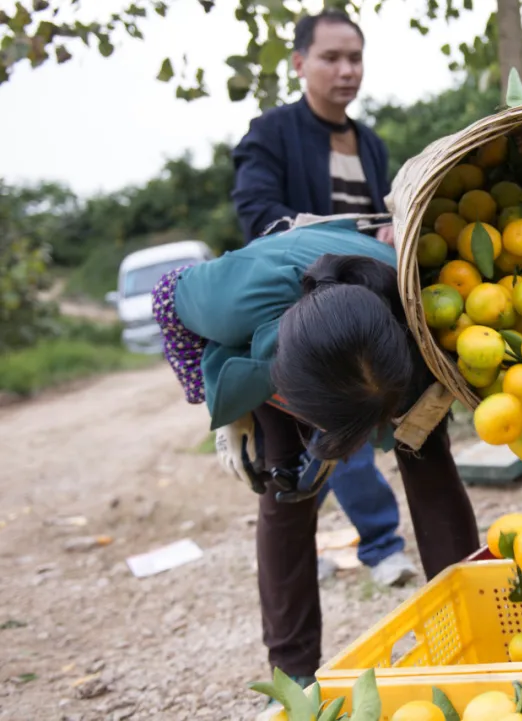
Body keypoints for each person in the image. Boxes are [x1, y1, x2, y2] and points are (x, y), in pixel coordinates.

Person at [152, 219, 480, 685]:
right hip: (268, 343)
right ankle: (293, 675)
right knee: (285, 485)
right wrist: (220, 406)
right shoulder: (233, 302)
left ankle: (471, 630)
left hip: (370, 336)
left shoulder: (413, 309)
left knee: (427, 456)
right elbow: (165, 297)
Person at [230, 9, 415, 587]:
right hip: (301, 302)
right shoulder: (271, 133)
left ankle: (319, 542)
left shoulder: (371, 143)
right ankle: (383, 547)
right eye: (331, 58)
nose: (346, 71)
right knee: (341, 415)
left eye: (354, 58)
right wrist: (332, 237)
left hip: (369, 300)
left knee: (322, 434)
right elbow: (256, 214)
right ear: (299, 63)